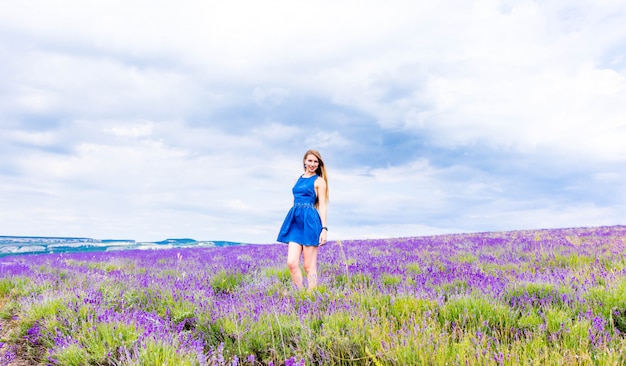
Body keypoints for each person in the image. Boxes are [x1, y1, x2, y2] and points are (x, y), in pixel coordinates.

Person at [277, 149, 329, 290]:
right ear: (305, 161)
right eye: (310, 160)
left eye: (315, 162)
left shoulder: (319, 181)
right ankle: (300, 295)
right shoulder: (297, 179)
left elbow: (323, 205)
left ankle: (312, 299)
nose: (312, 164)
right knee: (292, 263)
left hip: (310, 221)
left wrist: (324, 229)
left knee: (308, 266)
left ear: (319, 164)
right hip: (295, 221)